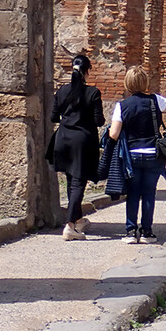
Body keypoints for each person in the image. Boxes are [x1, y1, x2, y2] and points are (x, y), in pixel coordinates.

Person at [106, 66, 166, 244]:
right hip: (153, 154)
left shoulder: (122, 106)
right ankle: (147, 232)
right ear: (145, 82)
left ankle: (131, 232)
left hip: (131, 156)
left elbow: (114, 134)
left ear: (127, 84)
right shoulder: (155, 101)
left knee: (133, 193)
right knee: (149, 193)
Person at [49, 55, 105, 241]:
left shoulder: (62, 91)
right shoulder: (93, 93)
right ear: (87, 71)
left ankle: (78, 219)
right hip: (82, 141)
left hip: (63, 139)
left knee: (71, 180)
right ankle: (70, 225)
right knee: (79, 182)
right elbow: (99, 121)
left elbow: (53, 118)